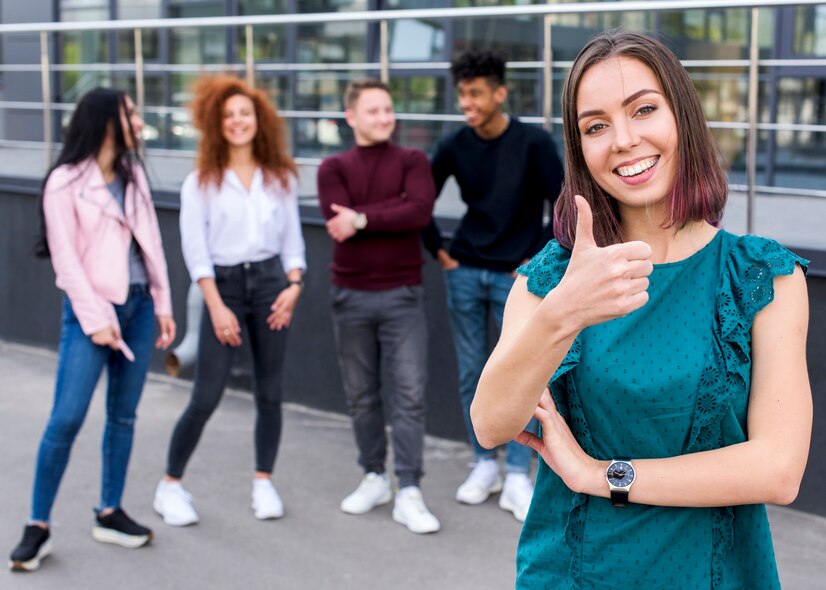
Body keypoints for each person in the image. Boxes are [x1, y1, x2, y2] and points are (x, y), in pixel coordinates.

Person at [473, 31, 812, 589]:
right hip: (573, 571)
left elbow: (778, 469)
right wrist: (564, 313)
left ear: (682, 115)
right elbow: (491, 424)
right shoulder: (552, 279)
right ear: (579, 147)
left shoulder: (762, 276)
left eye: (644, 110)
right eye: (596, 126)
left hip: (717, 574)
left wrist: (598, 474)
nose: (624, 140)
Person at [9, 88, 176, 572]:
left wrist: (163, 304)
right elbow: (66, 263)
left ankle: (109, 511)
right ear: (105, 120)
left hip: (141, 308)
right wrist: (98, 320)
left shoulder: (134, 174)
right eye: (131, 113)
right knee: (65, 420)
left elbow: (153, 244)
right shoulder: (64, 182)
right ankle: (37, 525)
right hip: (92, 315)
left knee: (123, 417)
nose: (139, 122)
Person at [153, 77, 306, 526]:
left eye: (245, 113)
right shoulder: (200, 181)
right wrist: (216, 305)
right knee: (207, 394)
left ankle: (264, 482)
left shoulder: (279, 177)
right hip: (222, 287)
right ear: (215, 124)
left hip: (271, 286)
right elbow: (195, 252)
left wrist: (294, 288)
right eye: (228, 116)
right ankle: (170, 486)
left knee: (270, 393)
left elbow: (293, 243)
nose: (238, 121)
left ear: (259, 120)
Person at [421, 49, 564, 521]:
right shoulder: (454, 145)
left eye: (476, 93)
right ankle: (484, 462)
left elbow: (563, 205)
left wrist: (535, 261)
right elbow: (421, 198)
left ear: (500, 94)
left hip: (517, 279)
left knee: (523, 375)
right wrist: (440, 254)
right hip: (463, 271)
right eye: (462, 93)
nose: (468, 101)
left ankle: (518, 475)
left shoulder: (534, 143)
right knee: (471, 373)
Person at [317, 78, 440, 534]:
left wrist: (365, 217)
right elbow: (337, 222)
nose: (384, 118)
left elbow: (420, 212)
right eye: (373, 111)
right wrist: (393, 209)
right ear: (351, 117)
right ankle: (374, 476)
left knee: (409, 395)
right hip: (350, 296)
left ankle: (409, 488)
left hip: (403, 295)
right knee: (361, 396)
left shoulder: (413, 160)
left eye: (388, 109)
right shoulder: (332, 167)